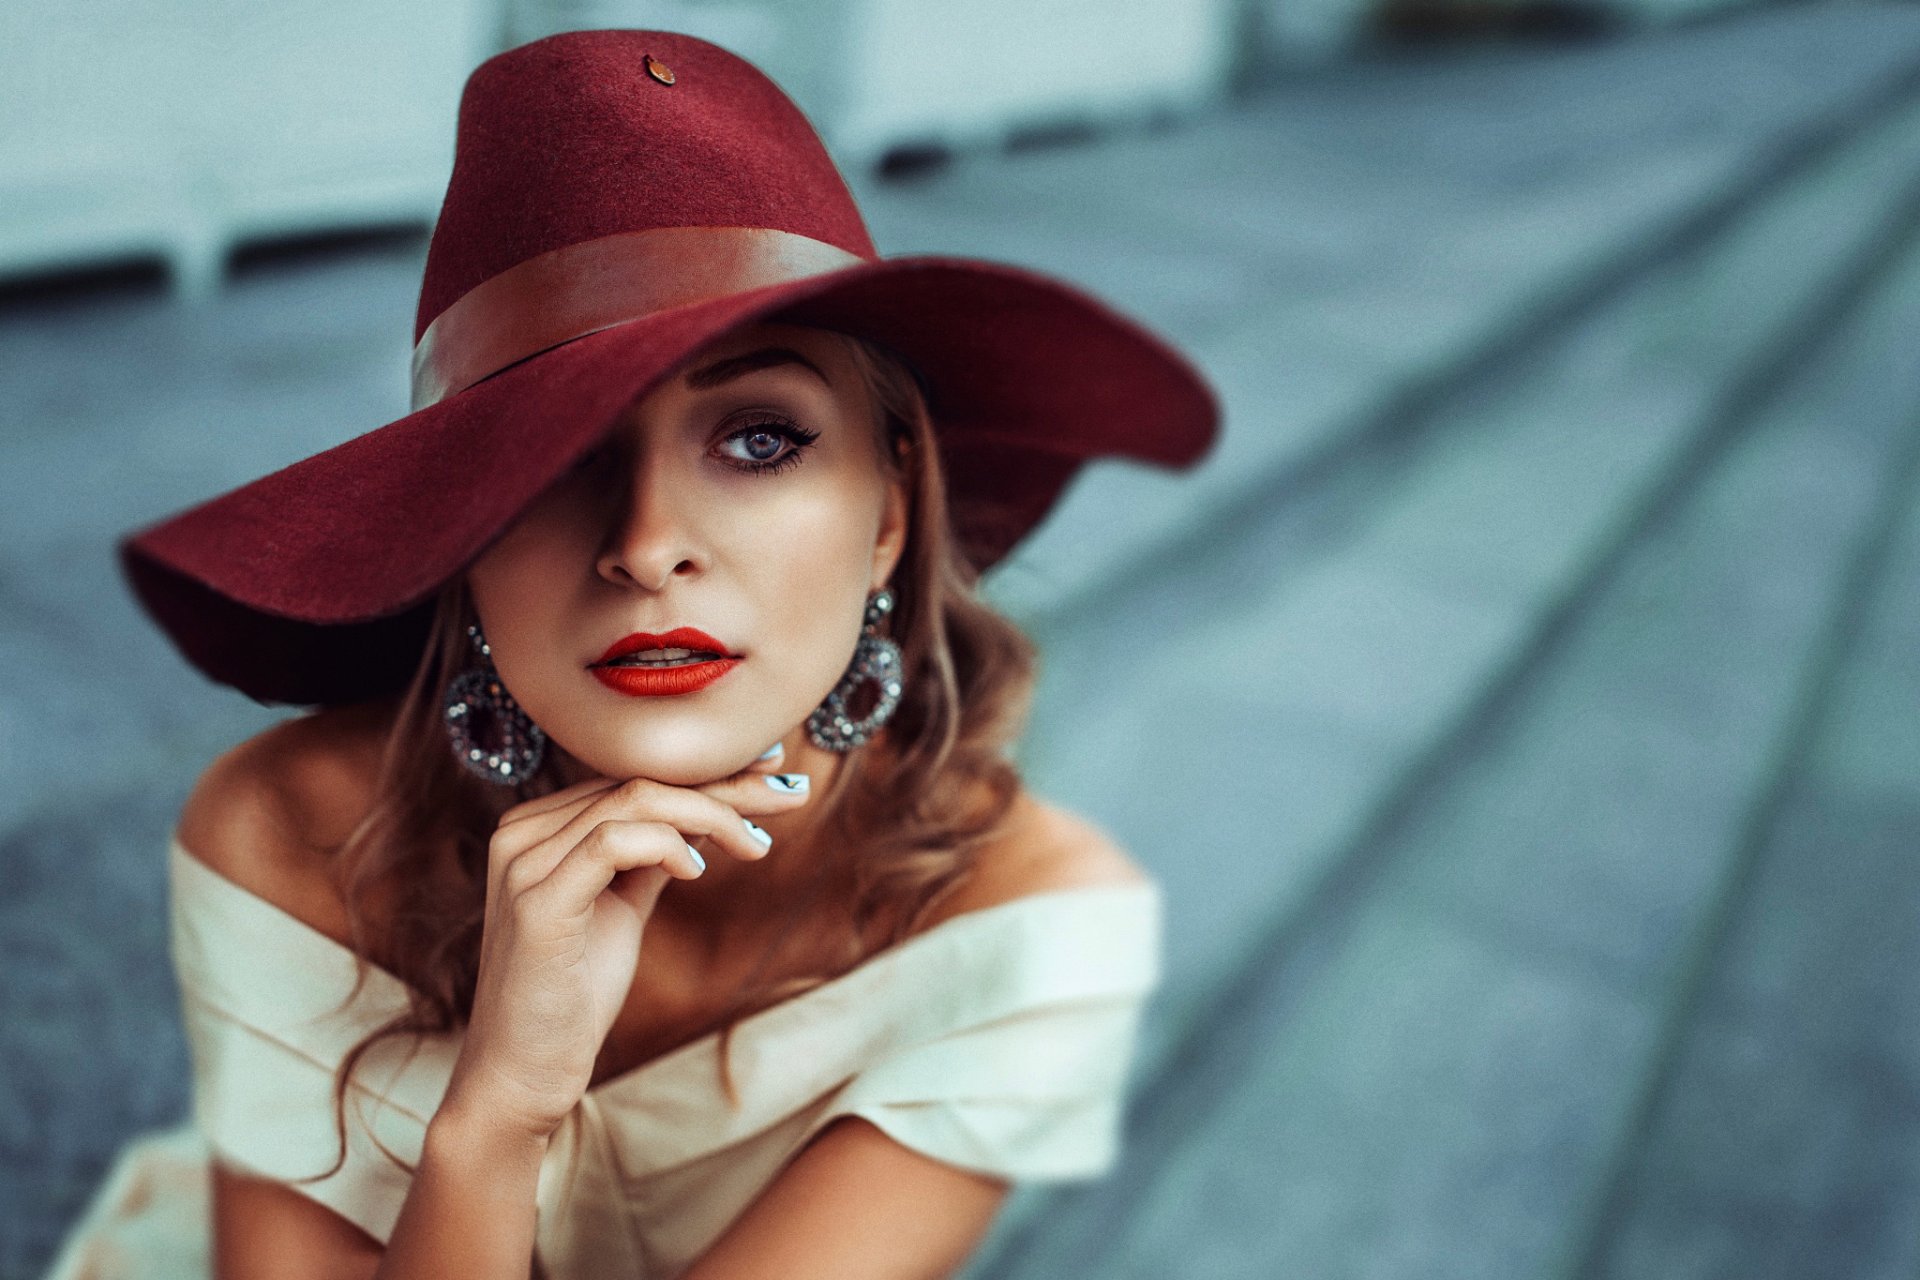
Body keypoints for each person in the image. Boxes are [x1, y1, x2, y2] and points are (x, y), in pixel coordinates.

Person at [50, 27, 1217, 1280]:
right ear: (463, 531)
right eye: (558, 453)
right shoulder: (287, 836)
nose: (649, 545)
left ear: (886, 515)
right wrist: (491, 1122)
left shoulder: (1027, 929)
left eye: (760, 439)